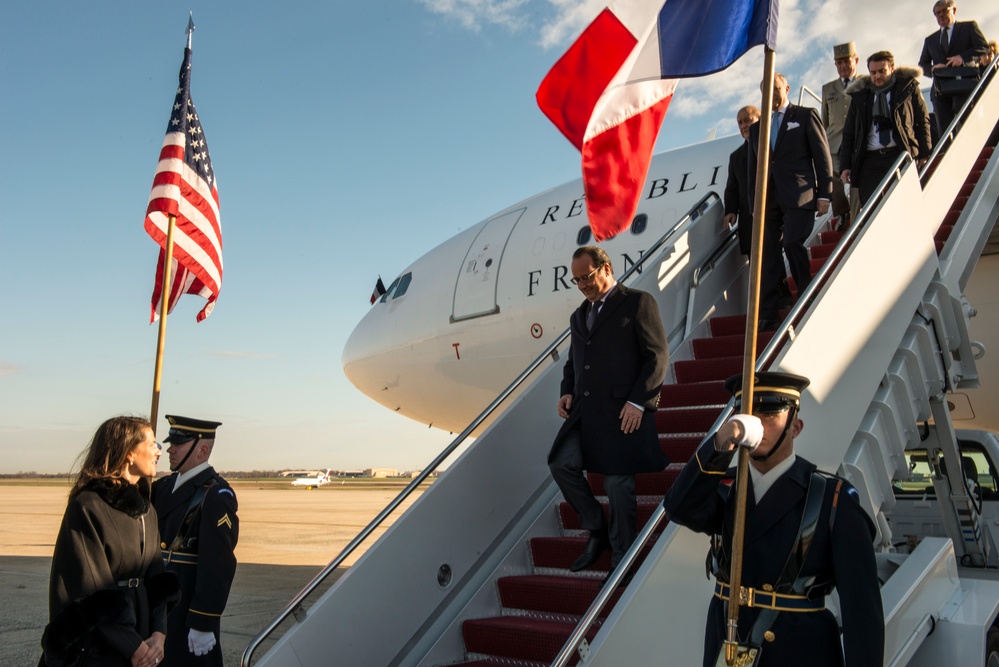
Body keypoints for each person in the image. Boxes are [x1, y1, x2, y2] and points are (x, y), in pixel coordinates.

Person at [664, 372, 884, 666]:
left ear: (796, 427)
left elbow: (862, 615)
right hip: (728, 649)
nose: (755, 422)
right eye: (747, 413)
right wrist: (719, 444)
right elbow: (678, 507)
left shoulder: (832, 498)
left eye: (769, 412)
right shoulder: (727, 491)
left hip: (798, 654)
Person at [548, 246, 669, 580]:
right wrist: (566, 391)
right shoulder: (578, 315)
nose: (583, 285)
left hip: (621, 412)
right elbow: (574, 362)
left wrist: (638, 402)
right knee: (560, 463)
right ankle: (596, 528)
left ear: (606, 268)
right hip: (585, 412)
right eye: (576, 281)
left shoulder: (637, 302)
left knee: (617, 484)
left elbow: (657, 356)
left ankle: (623, 559)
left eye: (586, 277)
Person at [41, 416, 177, 667]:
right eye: (152, 443)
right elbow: (92, 589)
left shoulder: (148, 511)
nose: (160, 450)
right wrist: (133, 648)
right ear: (129, 453)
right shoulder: (87, 506)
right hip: (100, 647)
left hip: (144, 636)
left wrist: (159, 634)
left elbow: (157, 578)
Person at [748, 73, 833, 330]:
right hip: (768, 200)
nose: (771, 94)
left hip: (800, 194)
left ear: (786, 88)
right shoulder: (756, 129)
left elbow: (822, 155)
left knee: (794, 242)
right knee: (768, 255)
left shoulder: (805, 116)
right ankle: (770, 311)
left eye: (775, 88)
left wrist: (825, 194)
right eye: (766, 90)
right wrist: (754, 205)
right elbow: (754, 169)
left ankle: (805, 297)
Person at [152, 416, 238, 667]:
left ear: (202, 450)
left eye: (178, 443)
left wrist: (203, 621)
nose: (170, 448)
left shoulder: (215, 494)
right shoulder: (162, 486)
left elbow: (218, 565)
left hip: (186, 613)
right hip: (159, 608)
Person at [840, 51, 933, 206]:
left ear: (892, 68)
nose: (877, 76)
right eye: (873, 72)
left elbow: (922, 121)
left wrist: (924, 152)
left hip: (900, 153)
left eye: (882, 71)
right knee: (871, 207)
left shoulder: (907, 88)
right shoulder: (861, 96)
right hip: (869, 159)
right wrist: (845, 165)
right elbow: (849, 133)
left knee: (906, 203)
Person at [918, 0, 988, 137]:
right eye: (937, 13)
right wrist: (933, 68)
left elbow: (983, 47)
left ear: (954, 10)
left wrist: (962, 58)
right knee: (945, 130)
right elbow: (922, 65)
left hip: (964, 85)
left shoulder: (969, 27)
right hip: (940, 89)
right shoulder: (930, 40)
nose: (941, 15)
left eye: (944, 11)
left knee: (968, 123)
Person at [821, 42, 863, 229]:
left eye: (846, 61)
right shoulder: (828, 88)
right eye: (839, 63)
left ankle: (855, 220)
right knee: (832, 178)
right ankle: (843, 212)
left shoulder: (865, 81)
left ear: (856, 60)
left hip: (858, 139)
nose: (843, 66)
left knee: (856, 181)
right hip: (835, 141)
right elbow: (825, 118)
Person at [724, 105, 762, 255]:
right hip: (750, 222)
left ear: (760, 120)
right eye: (740, 123)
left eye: (747, 120)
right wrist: (731, 210)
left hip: (773, 217)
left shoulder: (774, 144)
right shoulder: (736, 157)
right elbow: (732, 188)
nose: (743, 126)